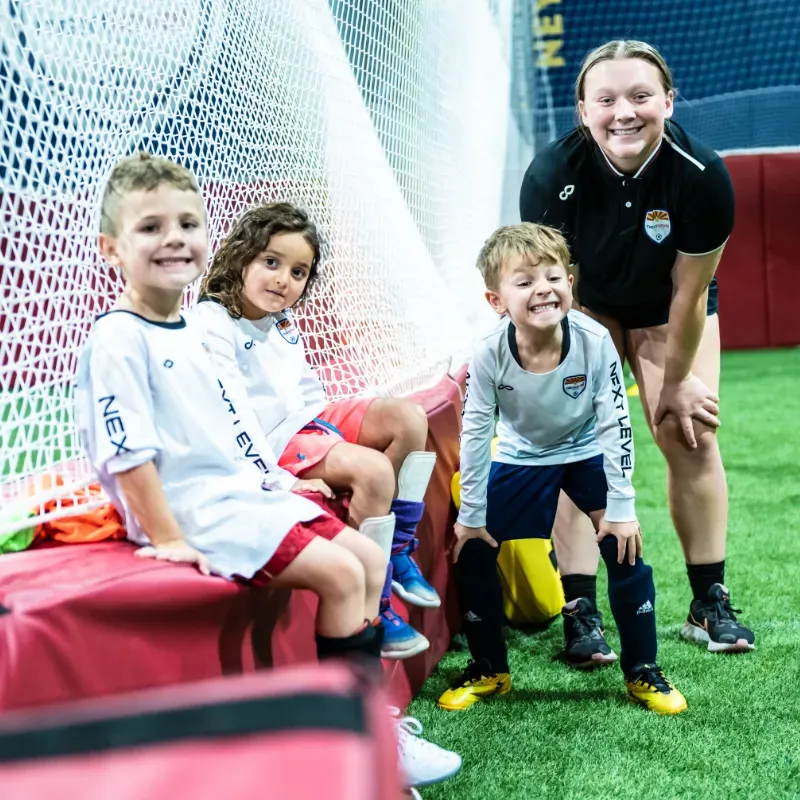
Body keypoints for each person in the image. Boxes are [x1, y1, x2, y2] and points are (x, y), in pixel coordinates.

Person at [75, 154, 461, 793]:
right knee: (343, 574)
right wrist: (167, 538)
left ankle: (376, 726)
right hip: (196, 509)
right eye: (150, 228)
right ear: (111, 247)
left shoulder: (179, 328)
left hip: (240, 490)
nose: (173, 238)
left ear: (207, 238)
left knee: (366, 563)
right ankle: (360, 758)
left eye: (187, 223)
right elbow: (129, 455)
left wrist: (280, 483)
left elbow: (230, 424)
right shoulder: (122, 338)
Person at [519, 39, 754, 655]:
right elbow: (548, 289)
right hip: (583, 304)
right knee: (571, 440)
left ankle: (708, 602)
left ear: (668, 102)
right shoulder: (550, 176)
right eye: (607, 99)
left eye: (641, 96)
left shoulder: (703, 177)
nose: (624, 111)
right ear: (583, 111)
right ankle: (581, 609)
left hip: (665, 307)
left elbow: (690, 291)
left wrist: (676, 381)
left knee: (690, 431)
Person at [437, 222, 687, 715]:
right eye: (524, 281)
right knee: (474, 549)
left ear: (570, 283)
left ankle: (642, 671)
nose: (543, 289)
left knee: (624, 544)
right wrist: (473, 513)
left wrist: (621, 507)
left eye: (553, 276)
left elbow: (616, 425)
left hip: (585, 450)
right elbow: (474, 432)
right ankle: (490, 667)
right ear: (496, 300)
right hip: (522, 455)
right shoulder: (487, 352)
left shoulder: (594, 342)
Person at [191, 203, 441, 660]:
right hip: (268, 444)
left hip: (304, 423)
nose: (284, 279)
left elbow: (308, 392)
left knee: (409, 418)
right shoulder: (212, 320)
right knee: (374, 473)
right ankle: (377, 600)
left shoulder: (281, 319)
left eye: (298, 271)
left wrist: (333, 432)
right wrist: (283, 479)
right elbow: (232, 414)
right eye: (271, 262)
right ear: (240, 256)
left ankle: (400, 547)